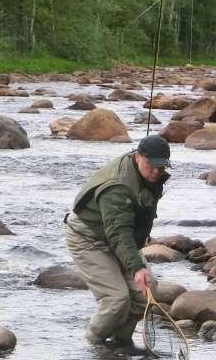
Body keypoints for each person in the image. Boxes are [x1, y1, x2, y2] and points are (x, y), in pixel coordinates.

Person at [65, 135, 171, 348]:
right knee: (116, 300)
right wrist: (137, 267)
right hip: (88, 237)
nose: (156, 172)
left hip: (121, 237)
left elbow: (126, 231)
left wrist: (137, 264)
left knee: (146, 294)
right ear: (138, 156)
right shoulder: (118, 186)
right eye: (152, 166)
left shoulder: (148, 173)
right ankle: (92, 344)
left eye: (161, 167)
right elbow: (118, 233)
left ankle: (120, 343)